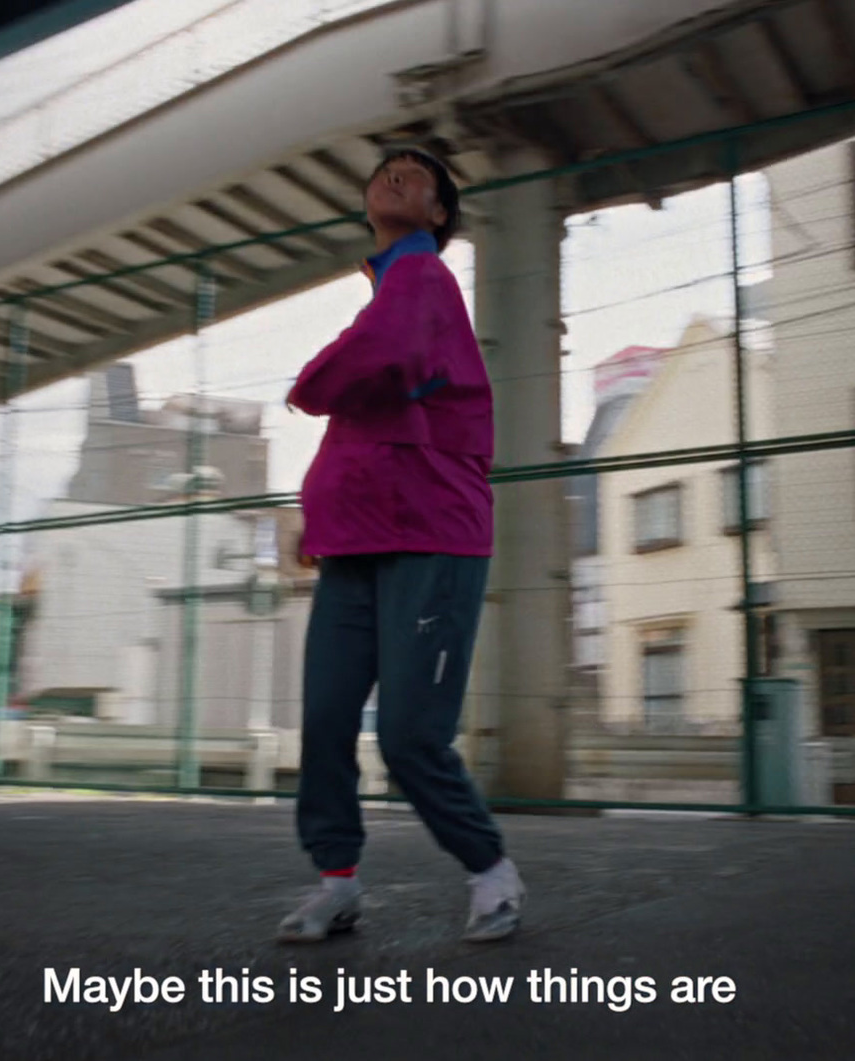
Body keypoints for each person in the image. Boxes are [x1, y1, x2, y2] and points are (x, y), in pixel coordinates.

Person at [277, 149, 524, 944]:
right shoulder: (391, 296)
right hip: (356, 544)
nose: (394, 178)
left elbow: (365, 365)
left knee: (410, 733)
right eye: (384, 171)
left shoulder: (422, 280)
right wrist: (315, 519)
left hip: (432, 538)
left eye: (415, 176)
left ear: (440, 213)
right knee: (323, 719)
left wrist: (309, 382)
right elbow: (362, 417)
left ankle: (492, 873)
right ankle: (338, 882)